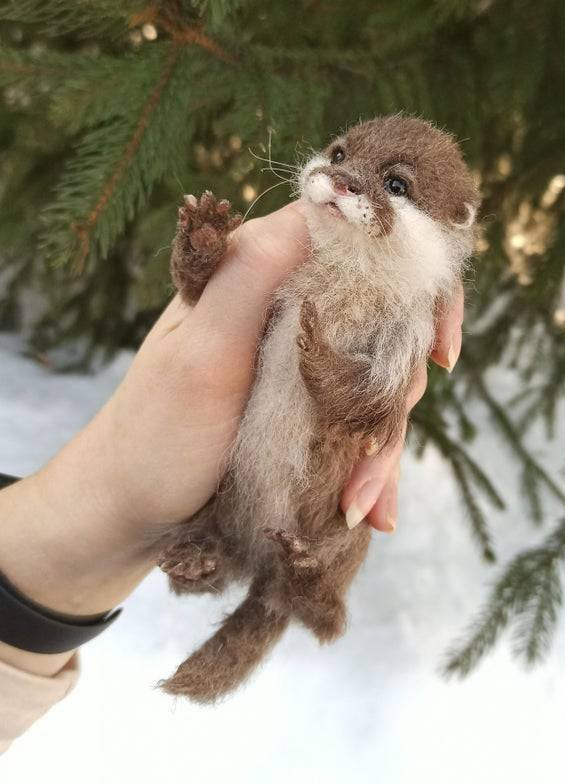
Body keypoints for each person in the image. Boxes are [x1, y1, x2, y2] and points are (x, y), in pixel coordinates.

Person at [0, 201, 463, 753]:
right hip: (238, 486)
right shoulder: (304, 257)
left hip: (303, 503)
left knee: (335, 533)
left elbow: (370, 407)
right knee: (222, 532)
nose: (343, 180)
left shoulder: (400, 310)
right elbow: (201, 296)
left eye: (392, 185)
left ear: (449, 225)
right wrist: (203, 257)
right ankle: (211, 556)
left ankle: (304, 580)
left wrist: (329, 370)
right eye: (338, 157)